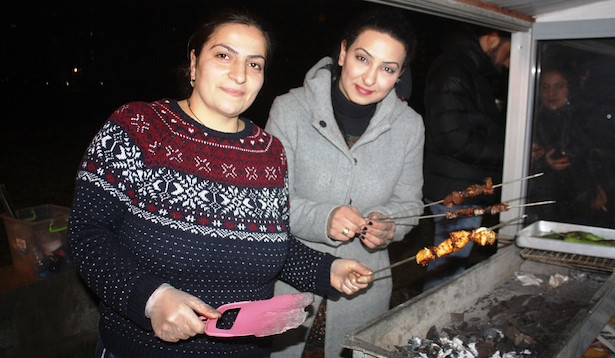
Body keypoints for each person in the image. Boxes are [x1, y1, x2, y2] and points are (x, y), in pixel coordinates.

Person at [66, 8, 374, 358]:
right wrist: (150, 299)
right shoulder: (140, 127)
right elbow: (87, 234)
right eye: (224, 55)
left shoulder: (269, 152)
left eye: (254, 64)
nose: (239, 74)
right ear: (194, 63)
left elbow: (269, 244)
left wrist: (326, 269)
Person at [265, 7, 424, 358]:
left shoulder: (409, 127)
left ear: (399, 75)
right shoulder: (289, 110)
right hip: (290, 285)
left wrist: (389, 224)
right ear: (342, 53)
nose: (369, 78)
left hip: (363, 290)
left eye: (387, 69)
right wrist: (323, 217)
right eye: (362, 58)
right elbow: (268, 204)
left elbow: (412, 204)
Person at [421, 24, 511, 291]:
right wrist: (507, 151)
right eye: (508, 51)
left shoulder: (472, 70)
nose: (508, 62)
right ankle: (428, 324)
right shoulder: (455, 69)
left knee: (451, 267)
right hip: (454, 188)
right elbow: (452, 136)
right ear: (493, 39)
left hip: (462, 183)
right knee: (446, 271)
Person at [527, 65, 615, 227]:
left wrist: (597, 187)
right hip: (540, 203)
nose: (551, 94)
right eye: (545, 87)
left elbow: (597, 156)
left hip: (578, 202)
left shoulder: (584, 118)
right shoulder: (528, 119)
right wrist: (542, 162)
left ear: (570, 88)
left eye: (559, 86)